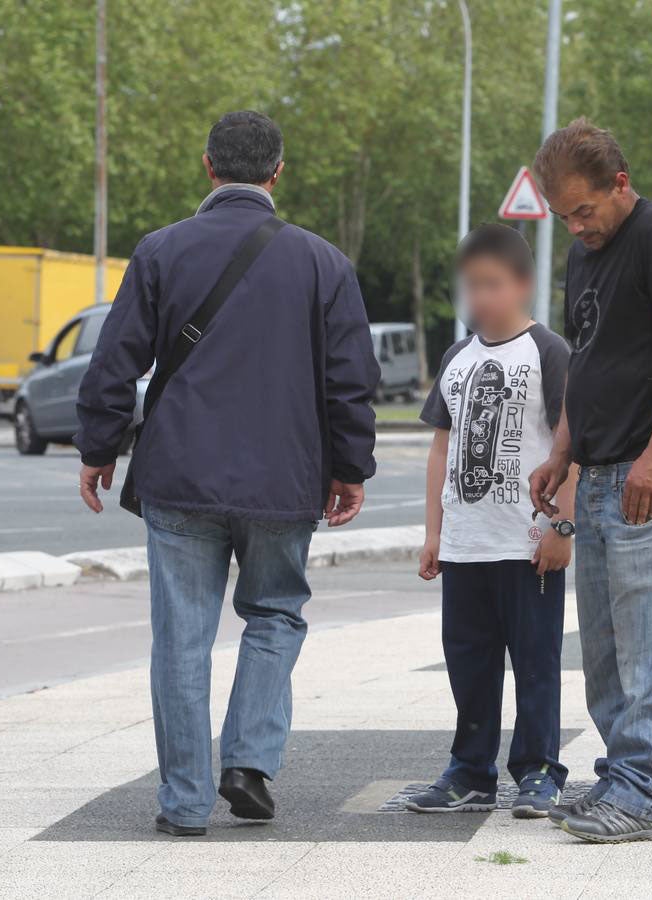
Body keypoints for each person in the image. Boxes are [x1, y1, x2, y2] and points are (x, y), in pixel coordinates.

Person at [75, 111, 379, 837]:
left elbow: (115, 361)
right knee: (274, 615)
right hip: (285, 481)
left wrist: (97, 449)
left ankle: (182, 804)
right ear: (278, 173)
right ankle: (246, 764)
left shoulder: (160, 251)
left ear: (208, 167)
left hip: (180, 477)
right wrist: (351, 468)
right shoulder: (323, 262)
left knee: (181, 639)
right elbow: (350, 380)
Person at [527, 119, 652, 843]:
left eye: (586, 210)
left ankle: (644, 796)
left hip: (649, 476)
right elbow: (589, 361)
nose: (578, 227)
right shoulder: (586, 255)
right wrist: (562, 454)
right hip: (601, 471)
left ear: (621, 181)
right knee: (606, 647)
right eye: (564, 216)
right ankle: (619, 777)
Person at [410, 224, 576, 818]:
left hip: (527, 542)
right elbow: (440, 449)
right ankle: (470, 771)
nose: (480, 297)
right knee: (469, 665)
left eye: (492, 284)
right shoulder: (458, 357)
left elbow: (570, 443)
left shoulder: (549, 351)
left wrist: (564, 528)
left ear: (522, 285)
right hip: (465, 544)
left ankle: (538, 770)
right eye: (471, 285)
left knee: (535, 663)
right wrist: (433, 534)